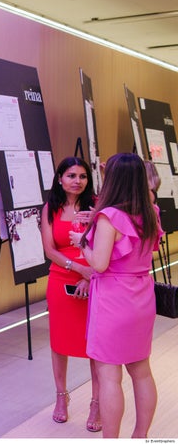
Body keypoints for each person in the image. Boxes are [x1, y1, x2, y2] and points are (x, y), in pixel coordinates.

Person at [70, 153, 162, 438]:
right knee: (142, 371)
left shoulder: (110, 217)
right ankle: (141, 435)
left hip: (113, 299)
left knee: (110, 376)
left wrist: (80, 243)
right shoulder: (151, 212)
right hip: (142, 296)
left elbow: (99, 263)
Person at [40, 156, 100, 432]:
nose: (77, 181)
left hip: (95, 279)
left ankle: (97, 402)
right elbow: (50, 249)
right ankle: (61, 397)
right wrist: (76, 268)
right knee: (59, 341)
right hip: (61, 278)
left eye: (83, 176)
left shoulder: (97, 206)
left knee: (96, 345)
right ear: (60, 179)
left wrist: (90, 274)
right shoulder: (50, 208)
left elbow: (105, 245)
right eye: (71, 175)